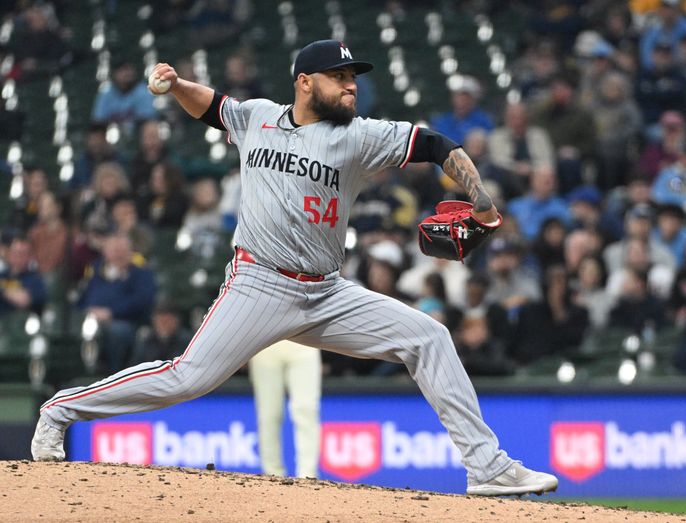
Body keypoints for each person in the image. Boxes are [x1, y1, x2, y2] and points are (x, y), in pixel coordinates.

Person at [32, 39, 557, 496]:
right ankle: (59, 410)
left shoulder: (357, 135)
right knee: (187, 379)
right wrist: (175, 84)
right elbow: (214, 107)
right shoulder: (257, 116)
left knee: (429, 338)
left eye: (354, 78)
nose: (352, 87)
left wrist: (481, 198)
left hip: (326, 294)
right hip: (258, 284)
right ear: (305, 82)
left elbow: (436, 144)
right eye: (341, 77)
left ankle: (487, 466)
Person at [78, 232, 156, 373]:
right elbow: (83, 297)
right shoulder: (95, 271)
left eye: (123, 251)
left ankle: (112, 375)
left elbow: (142, 301)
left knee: (117, 332)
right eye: (115, 251)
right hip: (90, 319)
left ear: (131, 252)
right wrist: (86, 310)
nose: (119, 255)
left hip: (126, 322)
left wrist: (111, 312)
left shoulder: (141, 274)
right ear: (105, 252)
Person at [248, 340, 321, 479]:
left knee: (307, 410)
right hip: (265, 343)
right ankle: (271, 475)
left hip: (305, 340)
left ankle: (309, 476)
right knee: (269, 414)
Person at [0, 237, 46, 321]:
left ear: (30, 256)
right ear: (8, 254)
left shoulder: (35, 279)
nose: (19, 257)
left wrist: (25, 298)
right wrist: (5, 293)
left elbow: (35, 298)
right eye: (15, 252)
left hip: (19, 325)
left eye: (23, 253)